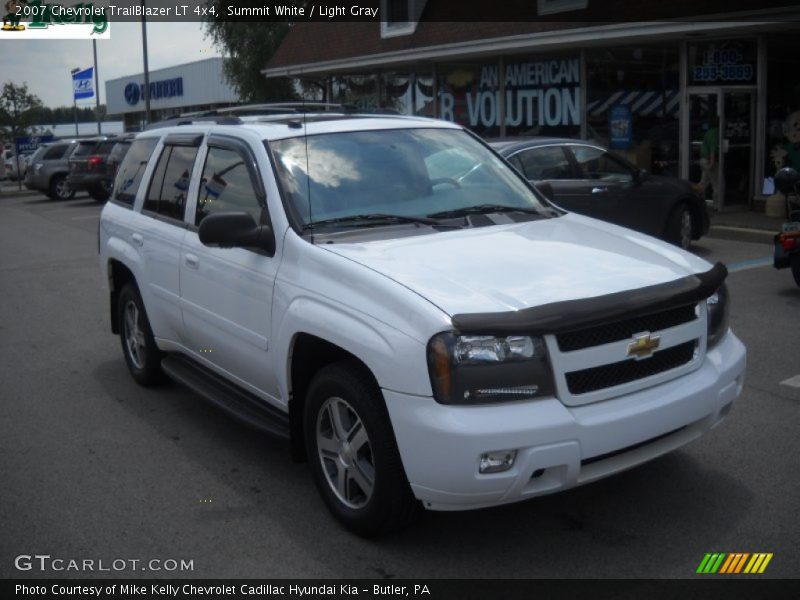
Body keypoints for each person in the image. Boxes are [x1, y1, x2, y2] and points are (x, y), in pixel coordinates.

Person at [699, 114, 719, 204]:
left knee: (704, 182)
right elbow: (712, 148)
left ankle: (696, 199)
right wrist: (712, 162)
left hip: (703, 160)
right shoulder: (716, 133)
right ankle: (717, 204)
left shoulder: (709, 132)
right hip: (709, 160)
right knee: (717, 183)